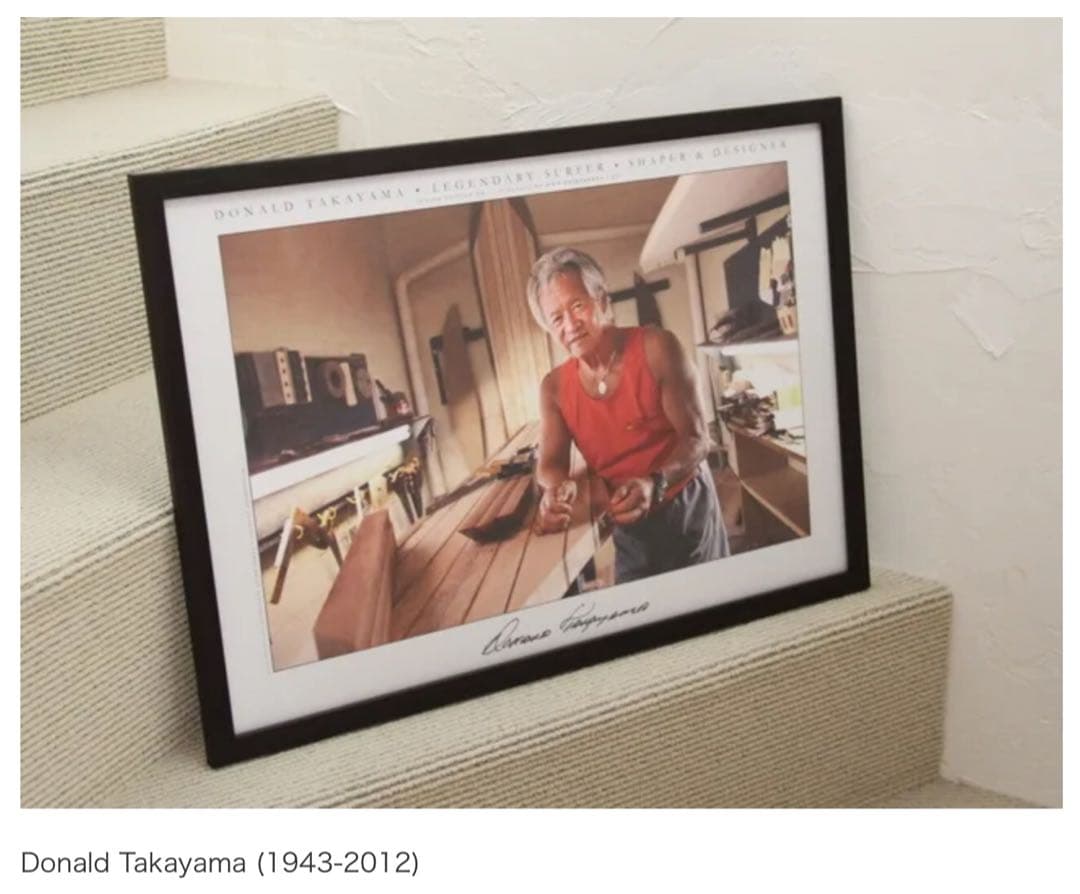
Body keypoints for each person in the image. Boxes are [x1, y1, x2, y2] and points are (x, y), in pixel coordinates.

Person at [527, 247, 728, 584]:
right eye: (557, 318)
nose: (570, 325)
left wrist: (655, 483)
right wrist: (554, 491)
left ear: (602, 301)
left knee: (711, 598)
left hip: (684, 501)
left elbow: (697, 440)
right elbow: (550, 463)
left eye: (577, 306)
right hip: (627, 519)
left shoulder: (658, 347)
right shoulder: (554, 388)